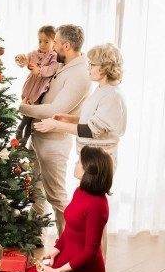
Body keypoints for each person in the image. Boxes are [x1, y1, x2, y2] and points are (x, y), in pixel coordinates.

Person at [34, 43, 126, 257]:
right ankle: (88, 260)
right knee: (89, 213)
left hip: (100, 161)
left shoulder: (112, 95)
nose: (89, 68)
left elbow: (92, 130)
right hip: (91, 159)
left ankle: (97, 263)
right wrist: (69, 118)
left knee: (95, 216)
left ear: (103, 68)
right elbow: (92, 121)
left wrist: (57, 126)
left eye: (92, 64)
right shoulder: (101, 91)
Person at [16, 145, 113, 272]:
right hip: (67, 254)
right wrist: (55, 250)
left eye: (79, 162)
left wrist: (57, 271)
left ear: (89, 169)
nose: (75, 164)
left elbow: (90, 253)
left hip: (85, 268)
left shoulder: (98, 206)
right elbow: (70, 228)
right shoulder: (80, 190)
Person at [19, 25, 91, 237]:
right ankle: (37, 235)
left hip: (54, 143)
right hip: (39, 136)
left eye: (56, 44)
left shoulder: (79, 74)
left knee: (56, 196)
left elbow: (56, 110)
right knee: (36, 189)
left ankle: (68, 243)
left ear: (66, 46)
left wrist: (22, 107)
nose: (52, 48)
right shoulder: (62, 64)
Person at [14, 25, 59, 145]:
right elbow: (23, 62)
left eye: (46, 41)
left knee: (32, 114)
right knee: (27, 109)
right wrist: (21, 59)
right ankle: (21, 132)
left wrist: (39, 71)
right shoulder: (33, 53)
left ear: (54, 43)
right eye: (40, 41)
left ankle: (23, 134)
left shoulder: (53, 56)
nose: (42, 44)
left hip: (39, 89)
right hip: (30, 86)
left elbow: (52, 69)